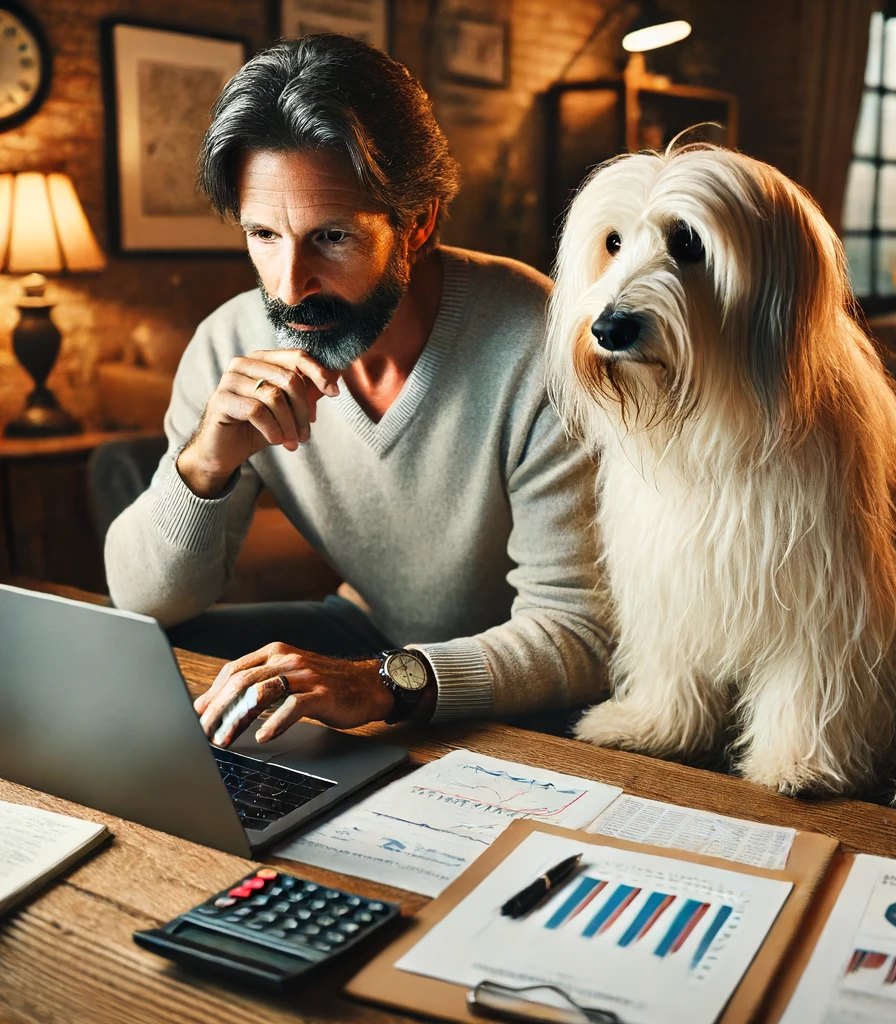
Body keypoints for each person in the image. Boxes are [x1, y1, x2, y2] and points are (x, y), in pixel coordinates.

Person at [104, 34, 610, 748]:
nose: (288, 287)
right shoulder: (228, 344)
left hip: (526, 678)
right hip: (367, 629)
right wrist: (204, 464)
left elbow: (580, 635)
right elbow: (142, 598)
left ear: (420, 222)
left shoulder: (538, 342)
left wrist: (381, 683)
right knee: (142, 655)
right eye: (263, 235)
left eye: (331, 236)